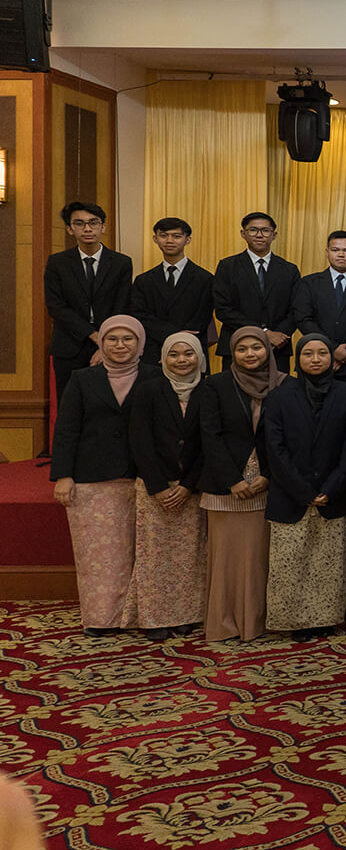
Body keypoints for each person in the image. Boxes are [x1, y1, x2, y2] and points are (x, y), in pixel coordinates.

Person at [50, 315, 153, 635]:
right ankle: (101, 619)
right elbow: (66, 429)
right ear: (102, 342)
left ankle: (142, 617)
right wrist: (63, 475)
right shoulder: (82, 379)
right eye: (112, 339)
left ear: (140, 343)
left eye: (128, 339)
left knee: (144, 552)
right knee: (99, 556)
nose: (120, 345)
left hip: (143, 477)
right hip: (91, 478)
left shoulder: (156, 377)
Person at [262, 335, 346, 641]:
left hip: (334, 494)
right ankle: (295, 622)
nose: (315, 359)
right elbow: (274, 448)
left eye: (322, 353)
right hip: (291, 495)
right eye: (308, 354)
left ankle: (326, 619)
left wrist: (331, 486)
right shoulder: (279, 397)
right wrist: (303, 491)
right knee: (290, 563)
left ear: (331, 358)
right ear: (297, 359)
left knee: (329, 564)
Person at [195, 326, 284, 642]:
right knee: (227, 560)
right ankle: (225, 623)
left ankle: (255, 623)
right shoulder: (216, 385)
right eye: (242, 349)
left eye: (256, 348)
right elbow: (210, 435)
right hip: (226, 487)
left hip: (266, 485)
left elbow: (287, 436)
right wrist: (232, 480)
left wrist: (268, 475)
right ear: (232, 352)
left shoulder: (283, 384)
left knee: (258, 560)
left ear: (267, 350)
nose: (250, 354)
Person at [127, 332, 209, 642]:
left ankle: (186, 615)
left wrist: (188, 485)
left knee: (190, 557)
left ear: (199, 357)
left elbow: (209, 443)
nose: (181, 360)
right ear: (163, 358)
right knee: (154, 556)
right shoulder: (148, 389)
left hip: (192, 488)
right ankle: (155, 617)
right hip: (155, 486)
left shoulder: (209, 390)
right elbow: (140, 440)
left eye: (188, 354)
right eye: (174, 354)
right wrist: (158, 486)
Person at [44, 201, 133, 407]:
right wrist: (94, 336)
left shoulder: (121, 262)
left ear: (103, 227)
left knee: (106, 407)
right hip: (69, 345)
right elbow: (56, 306)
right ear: (70, 229)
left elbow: (121, 306)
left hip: (112, 346)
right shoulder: (57, 262)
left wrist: (106, 342)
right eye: (79, 223)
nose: (87, 229)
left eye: (93, 223)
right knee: (70, 406)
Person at [212, 212, 300, 371]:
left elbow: (296, 309)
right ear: (243, 234)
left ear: (274, 235)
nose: (259, 235)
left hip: (278, 347)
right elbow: (223, 309)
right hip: (237, 345)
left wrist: (278, 335)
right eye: (253, 230)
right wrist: (264, 333)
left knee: (278, 388)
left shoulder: (289, 269)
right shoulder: (227, 266)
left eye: (265, 230)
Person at [129, 217, 214, 367]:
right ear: (155, 239)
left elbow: (202, 316)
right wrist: (172, 335)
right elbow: (140, 315)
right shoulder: (144, 280)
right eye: (163, 235)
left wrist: (179, 340)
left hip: (190, 348)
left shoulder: (204, 278)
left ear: (187, 240)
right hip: (154, 350)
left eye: (176, 236)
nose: (169, 240)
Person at [291, 230, 346, 382]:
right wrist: (331, 348)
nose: (341, 255)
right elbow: (304, 319)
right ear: (327, 252)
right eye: (335, 250)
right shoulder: (309, 283)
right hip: (315, 360)